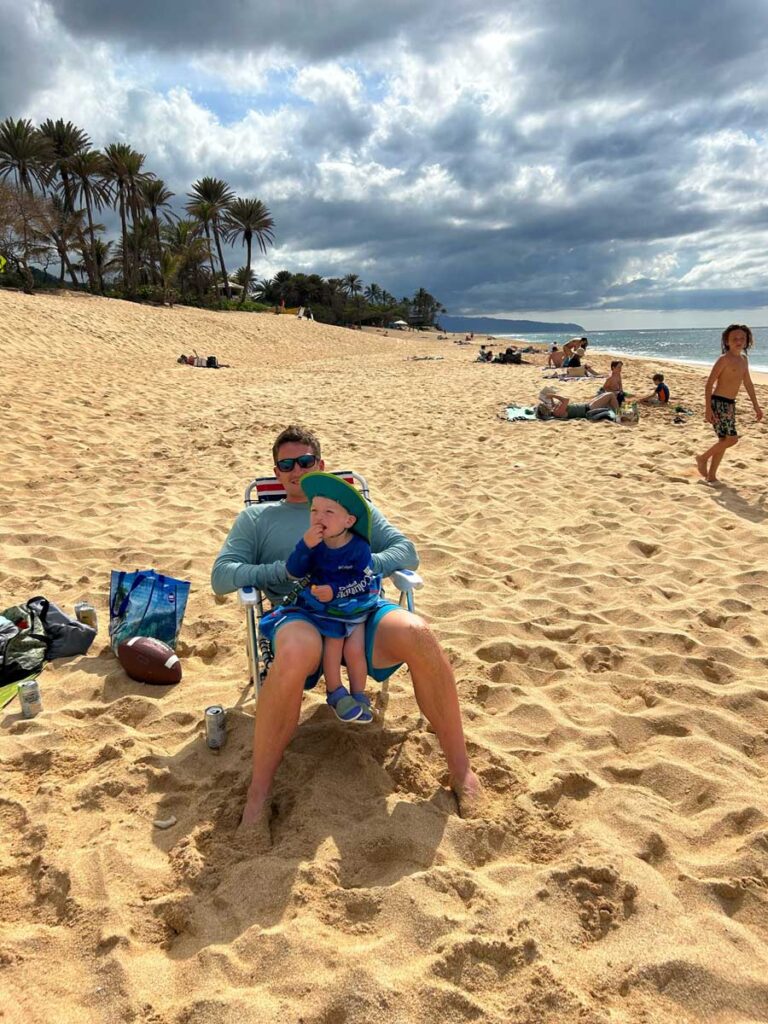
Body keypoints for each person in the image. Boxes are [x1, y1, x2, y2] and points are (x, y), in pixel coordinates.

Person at [211, 424, 482, 825]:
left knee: (420, 635)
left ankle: (461, 771)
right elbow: (222, 575)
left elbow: (406, 550)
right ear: (276, 471)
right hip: (300, 613)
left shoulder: (349, 508)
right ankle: (259, 794)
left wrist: (366, 565)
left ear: (320, 465)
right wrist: (280, 571)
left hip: (360, 609)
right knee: (296, 650)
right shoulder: (257, 517)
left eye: (305, 461)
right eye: (285, 464)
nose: (295, 470)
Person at [282, 472, 381, 725]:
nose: (318, 517)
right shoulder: (314, 543)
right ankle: (335, 692)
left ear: (348, 520)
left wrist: (336, 590)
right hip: (326, 608)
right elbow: (294, 571)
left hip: (355, 603)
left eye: (329, 512)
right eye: (314, 510)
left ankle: (358, 694)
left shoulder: (359, 547)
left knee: (355, 650)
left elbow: (365, 579)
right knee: (334, 646)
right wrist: (304, 546)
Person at [696, 324, 763, 483]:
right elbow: (709, 384)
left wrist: (756, 406)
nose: (738, 341)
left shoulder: (744, 359)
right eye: (735, 338)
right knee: (732, 439)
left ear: (747, 341)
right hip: (718, 403)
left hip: (731, 404)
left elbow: (748, 383)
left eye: (742, 338)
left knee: (724, 440)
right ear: (727, 341)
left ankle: (711, 476)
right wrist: (707, 409)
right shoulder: (724, 359)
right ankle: (703, 458)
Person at [538, 388, 620, 420]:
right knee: (610, 395)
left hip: (587, 405)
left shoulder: (555, 410)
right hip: (589, 408)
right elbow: (566, 400)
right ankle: (618, 414)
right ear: (546, 409)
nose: (546, 404)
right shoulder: (557, 412)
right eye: (545, 405)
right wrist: (553, 395)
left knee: (605, 395)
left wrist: (551, 398)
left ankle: (618, 411)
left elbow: (555, 404)